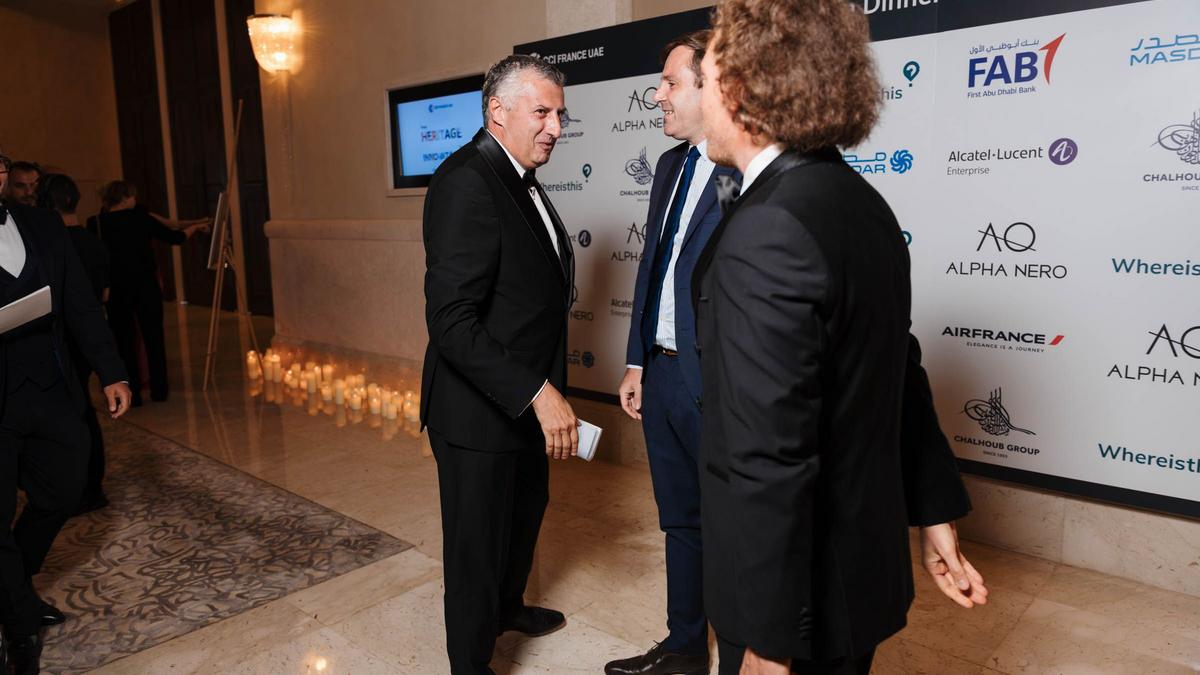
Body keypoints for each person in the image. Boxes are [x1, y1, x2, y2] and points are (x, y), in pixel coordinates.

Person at [692, 2, 988, 673]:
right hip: (857, 578)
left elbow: (771, 453)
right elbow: (897, 369)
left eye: (704, 82)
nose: (699, 100)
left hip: (797, 604)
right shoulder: (862, 202)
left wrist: (768, 640)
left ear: (739, 92)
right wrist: (934, 510)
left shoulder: (769, 228)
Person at [420, 54, 577, 675]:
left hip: (522, 404)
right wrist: (538, 391)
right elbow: (451, 322)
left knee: (520, 519)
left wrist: (538, 394)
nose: (555, 128)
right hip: (478, 413)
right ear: (497, 112)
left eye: (559, 115)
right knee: (476, 550)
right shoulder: (466, 181)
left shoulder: (517, 173)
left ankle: (507, 608)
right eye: (542, 113)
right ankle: (470, 662)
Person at [606, 30, 739, 675]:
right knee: (680, 521)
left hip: (716, 383)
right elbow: (653, 267)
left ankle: (742, 657)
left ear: (712, 88)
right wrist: (637, 360)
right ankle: (685, 647)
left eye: (670, 83)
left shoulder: (746, 170)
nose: (657, 95)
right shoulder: (668, 165)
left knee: (734, 530)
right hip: (660, 376)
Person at [0, 155, 132, 675]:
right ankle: (19, 626)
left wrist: (112, 371)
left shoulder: (41, 223)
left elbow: (79, 302)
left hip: (50, 387)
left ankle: (11, 585)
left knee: (66, 487)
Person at [36, 174, 113, 514]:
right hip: (89, 339)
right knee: (84, 413)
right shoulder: (93, 242)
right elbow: (104, 294)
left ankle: (83, 487)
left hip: (65, 341)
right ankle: (91, 486)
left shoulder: (50, 244)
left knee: (76, 416)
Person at [94, 180, 207, 405]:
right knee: (153, 338)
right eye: (132, 196)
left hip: (116, 289)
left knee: (124, 342)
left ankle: (132, 394)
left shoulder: (96, 222)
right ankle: (159, 390)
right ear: (125, 198)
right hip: (145, 286)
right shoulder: (140, 218)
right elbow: (175, 237)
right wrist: (196, 227)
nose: (135, 200)